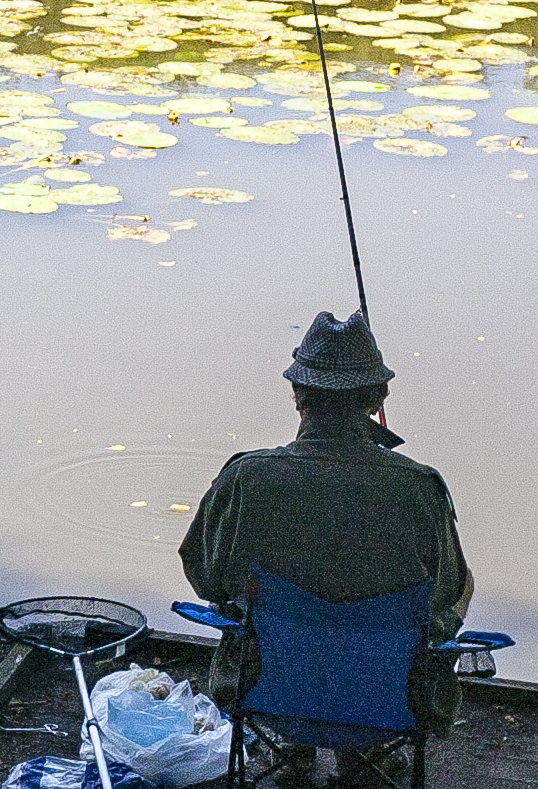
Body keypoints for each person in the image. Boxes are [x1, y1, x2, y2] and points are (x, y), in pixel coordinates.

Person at [176, 310, 472, 725]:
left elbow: (205, 577)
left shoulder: (247, 476)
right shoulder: (420, 486)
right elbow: (446, 592)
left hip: (265, 695)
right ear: (378, 397)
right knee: (457, 587)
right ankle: (363, 758)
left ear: (298, 393)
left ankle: (292, 749)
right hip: (389, 704)